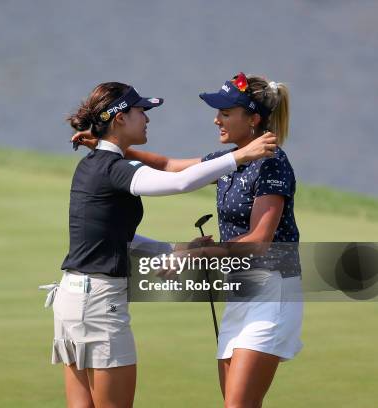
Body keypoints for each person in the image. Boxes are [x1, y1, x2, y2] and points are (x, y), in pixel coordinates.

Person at [72, 72, 301, 408]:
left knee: (238, 405)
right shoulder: (231, 161)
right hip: (241, 289)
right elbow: (167, 166)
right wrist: (113, 149)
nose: (216, 119)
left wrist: (196, 254)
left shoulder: (271, 163)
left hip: (273, 289)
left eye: (225, 113)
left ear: (252, 119)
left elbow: (260, 241)